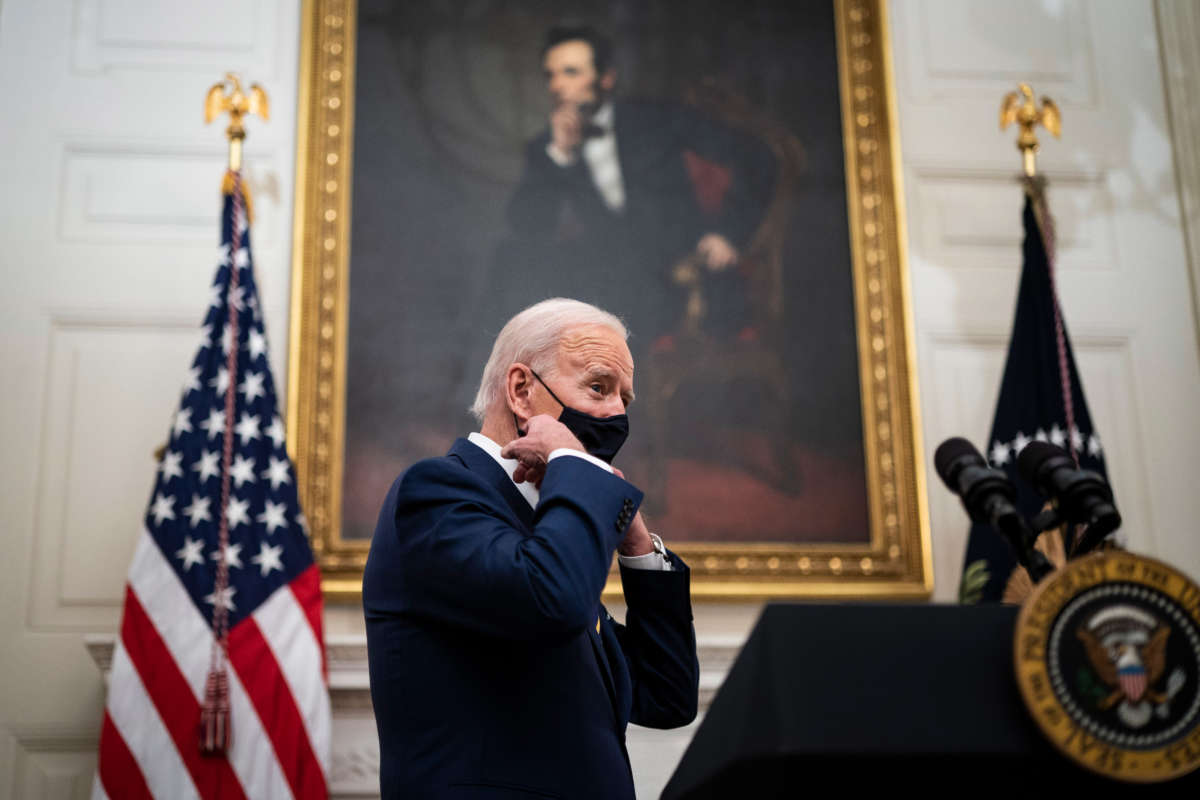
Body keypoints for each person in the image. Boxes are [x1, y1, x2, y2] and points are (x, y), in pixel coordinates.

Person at [363, 298, 700, 799]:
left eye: (625, 399)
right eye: (598, 387)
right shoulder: (436, 494)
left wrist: (636, 543)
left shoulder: (547, 526)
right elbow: (553, 601)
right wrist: (576, 466)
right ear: (522, 391)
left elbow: (667, 694)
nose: (616, 414)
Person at [498, 25, 776, 351]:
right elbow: (528, 226)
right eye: (551, 75)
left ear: (606, 79)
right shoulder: (546, 146)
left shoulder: (657, 119)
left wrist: (726, 231)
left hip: (677, 275)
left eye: (571, 72)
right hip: (601, 281)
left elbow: (757, 158)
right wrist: (561, 155)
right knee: (509, 265)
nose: (558, 85)